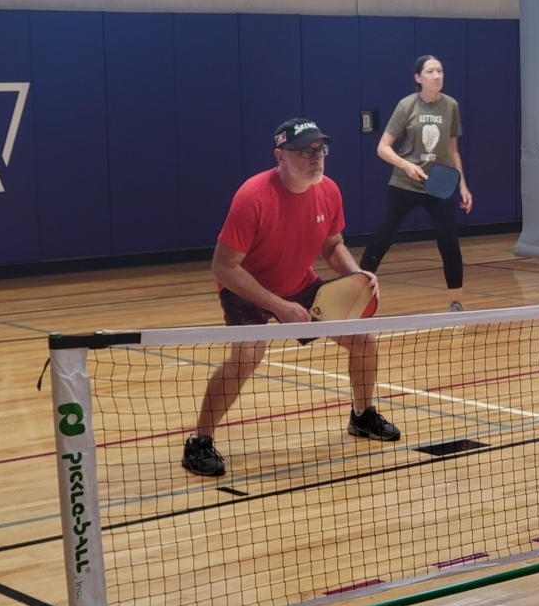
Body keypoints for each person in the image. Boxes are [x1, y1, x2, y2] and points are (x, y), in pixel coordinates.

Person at [182, 117, 400, 477]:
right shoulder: (252, 196)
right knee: (248, 355)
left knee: (364, 340)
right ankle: (199, 441)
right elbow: (224, 267)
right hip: (246, 285)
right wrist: (279, 306)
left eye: (319, 150)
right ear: (280, 156)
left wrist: (356, 276)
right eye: (304, 151)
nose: (315, 158)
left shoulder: (328, 191)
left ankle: (362, 416)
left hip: (298, 281)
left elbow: (333, 245)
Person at [359, 54, 473, 312]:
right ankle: (356, 292)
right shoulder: (406, 106)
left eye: (440, 71)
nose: (436, 76)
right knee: (384, 236)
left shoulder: (451, 106)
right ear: (418, 78)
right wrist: (406, 165)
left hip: (439, 186)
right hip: (405, 183)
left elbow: (453, 150)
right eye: (430, 71)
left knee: (448, 241)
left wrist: (462, 185)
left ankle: (456, 301)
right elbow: (383, 148)